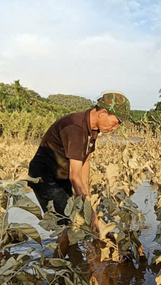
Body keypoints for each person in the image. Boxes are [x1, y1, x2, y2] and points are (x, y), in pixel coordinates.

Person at [27, 91, 129, 237]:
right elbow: (75, 176)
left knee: (76, 220)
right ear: (103, 113)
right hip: (45, 177)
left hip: (61, 176)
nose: (115, 128)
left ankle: (76, 257)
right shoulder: (75, 128)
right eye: (115, 122)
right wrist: (91, 212)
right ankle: (58, 259)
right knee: (67, 225)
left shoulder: (92, 129)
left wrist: (86, 197)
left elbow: (85, 162)